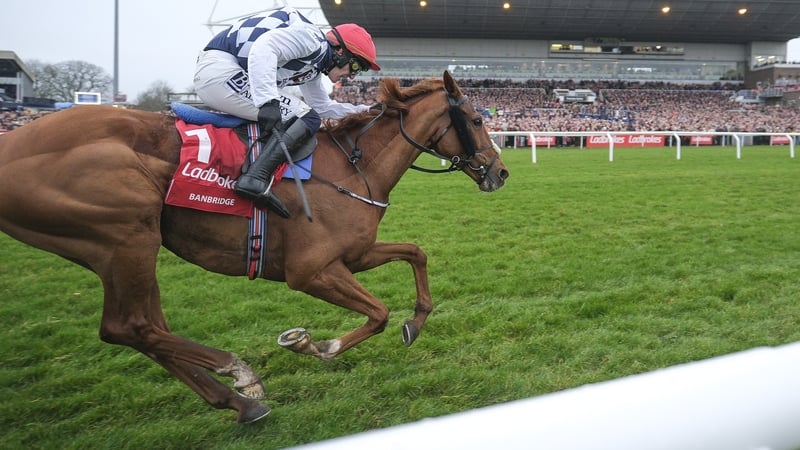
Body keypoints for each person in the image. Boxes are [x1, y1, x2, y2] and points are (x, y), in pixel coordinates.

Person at [194, 6, 380, 217]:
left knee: (308, 114)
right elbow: (264, 48)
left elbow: (323, 107)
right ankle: (255, 178)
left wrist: (368, 111)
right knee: (305, 116)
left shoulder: (314, 65)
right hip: (220, 70)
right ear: (340, 51)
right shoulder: (312, 41)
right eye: (355, 67)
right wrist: (268, 100)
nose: (353, 76)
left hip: (225, 72)